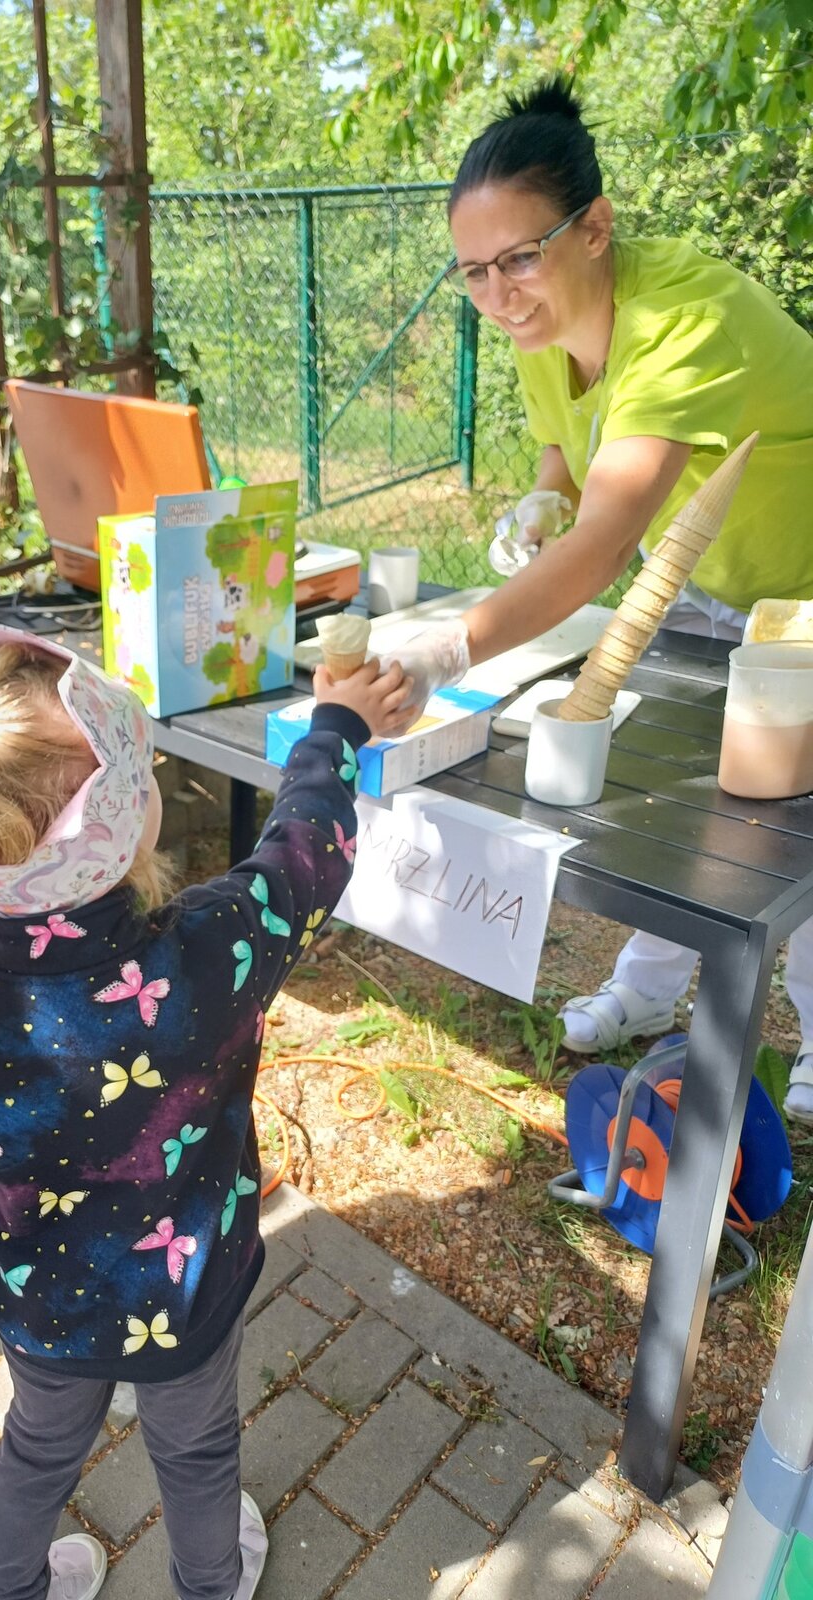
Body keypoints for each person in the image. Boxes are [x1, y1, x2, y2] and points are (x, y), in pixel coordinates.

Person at [0, 624, 409, 1600]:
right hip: (187, 1287)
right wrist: (335, 724)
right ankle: (209, 1585)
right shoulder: (216, 945)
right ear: (121, 823)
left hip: (41, 1298)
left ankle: (7, 1591)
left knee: (36, 1447)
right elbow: (309, 847)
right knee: (197, 1450)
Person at [388, 77, 813, 1116]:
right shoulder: (546, 323)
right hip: (710, 576)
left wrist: (448, 651)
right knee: (688, 801)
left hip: (804, 587)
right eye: (474, 271)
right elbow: (568, 457)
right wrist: (545, 494)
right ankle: (649, 988)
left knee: (792, 820)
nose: (498, 294)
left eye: (519, 258)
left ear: (595, 228)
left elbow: (605, 544)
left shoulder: (686, 317)